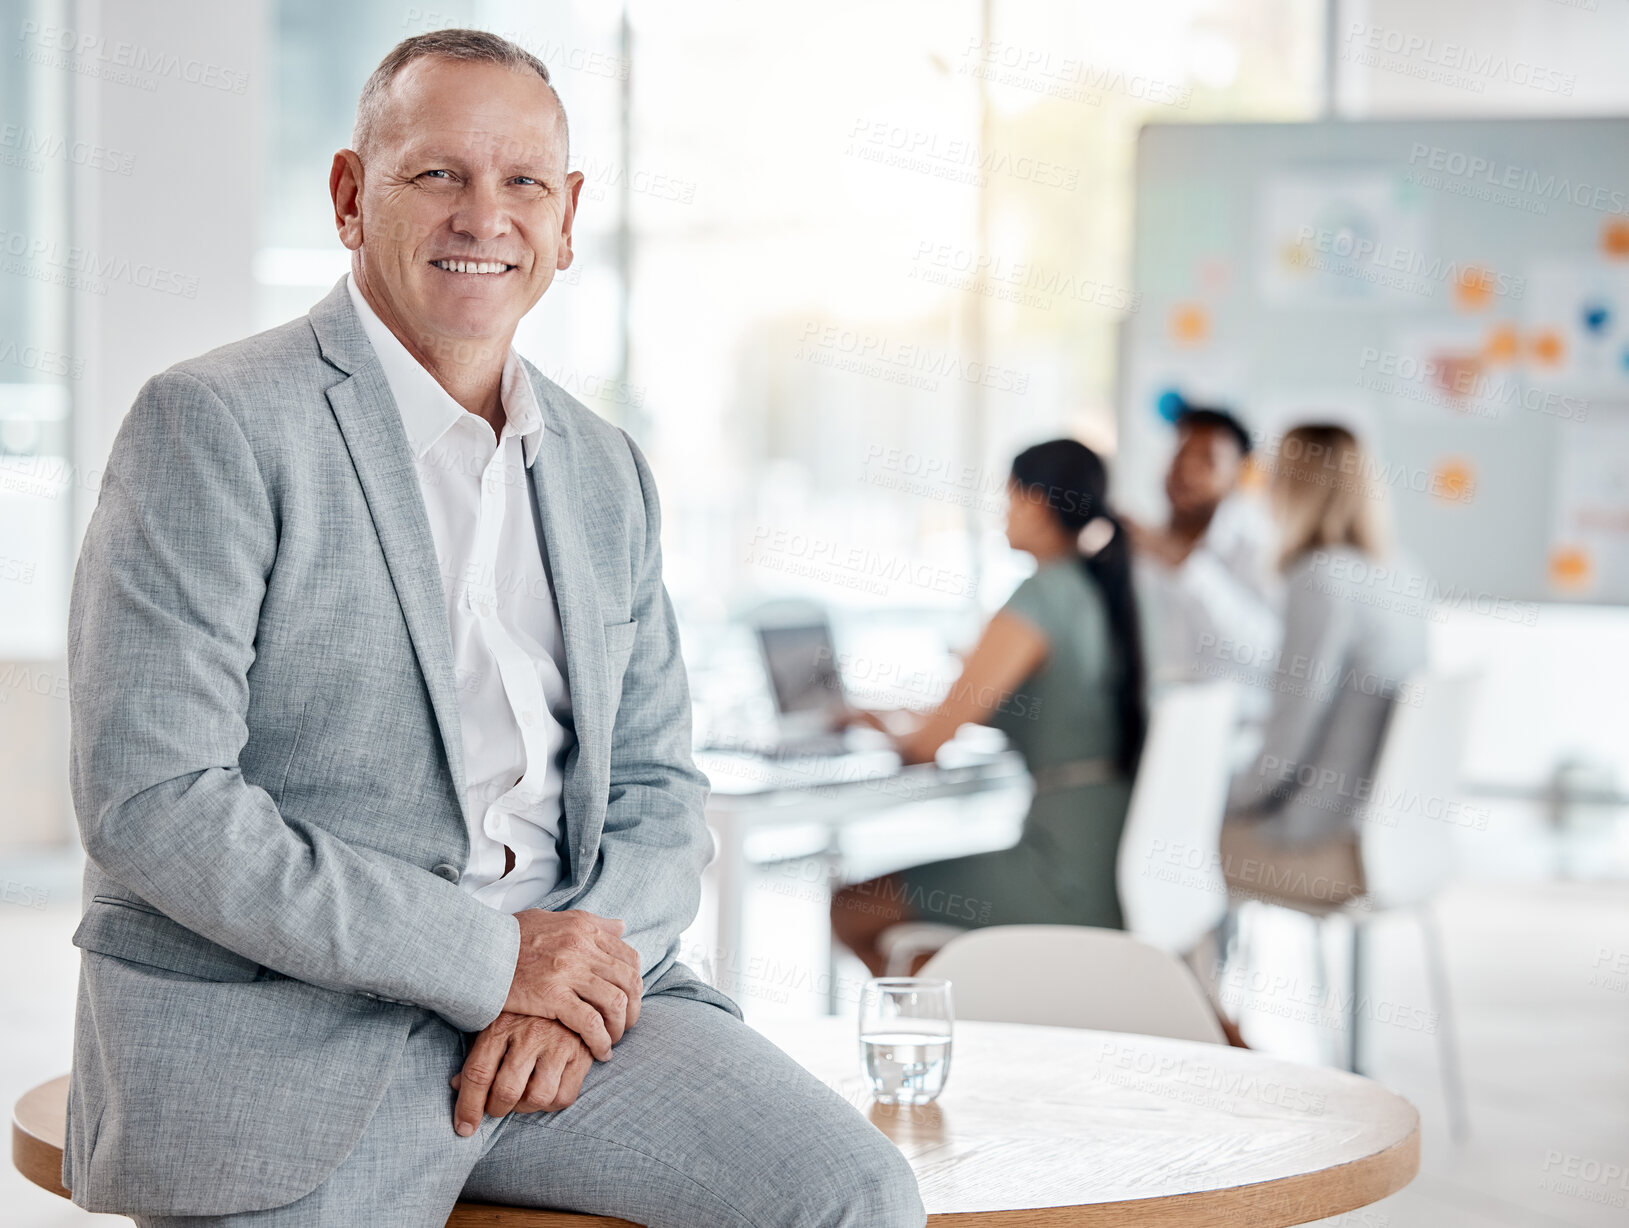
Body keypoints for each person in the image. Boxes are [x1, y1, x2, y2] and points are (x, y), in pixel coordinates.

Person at [63, 29, 923, 1228]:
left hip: (580, 1028)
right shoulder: (212, 425)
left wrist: (569, 986)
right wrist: (491, 958)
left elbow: (661, 790)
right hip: (290, 1028)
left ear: (567, 219)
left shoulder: (603, 468)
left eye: (523, 182)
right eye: (438, 175)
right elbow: (154, 801)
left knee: (856, 1194)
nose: (486, 215)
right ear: (352, 197)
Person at [831, 439, 1147, 975]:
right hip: (1115, 865)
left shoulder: (1039, 598)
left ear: (1039, 502)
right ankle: (974, 1014)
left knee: (852, 906)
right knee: (912, 933)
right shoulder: (1102, 590)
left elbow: (930, 745)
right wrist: (886, 717)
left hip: (1065, 877)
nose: (1003, 514)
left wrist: (880, 728)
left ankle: (947, 1034)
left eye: (1010, 497)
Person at [1218, 423, 1429, 908]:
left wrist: (1221, 795)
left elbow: (1287, 740)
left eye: (1276, 474)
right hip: (1391, 837)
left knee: (1162, 851)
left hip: (1318, 841)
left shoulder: (1320, 578)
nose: (1266, 488)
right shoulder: (1404, 573)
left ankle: (1180, 987)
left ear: (1298, 485)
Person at [1125, 404, 1281, 714]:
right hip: (1151, 724)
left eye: (1207, 461)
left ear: (1239, 473)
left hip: (1234, 736)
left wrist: (1188, 568)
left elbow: (1269, 652)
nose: (1187, 471)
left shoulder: (1261, 546)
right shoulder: (1142, 546)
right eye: (1180, 456)